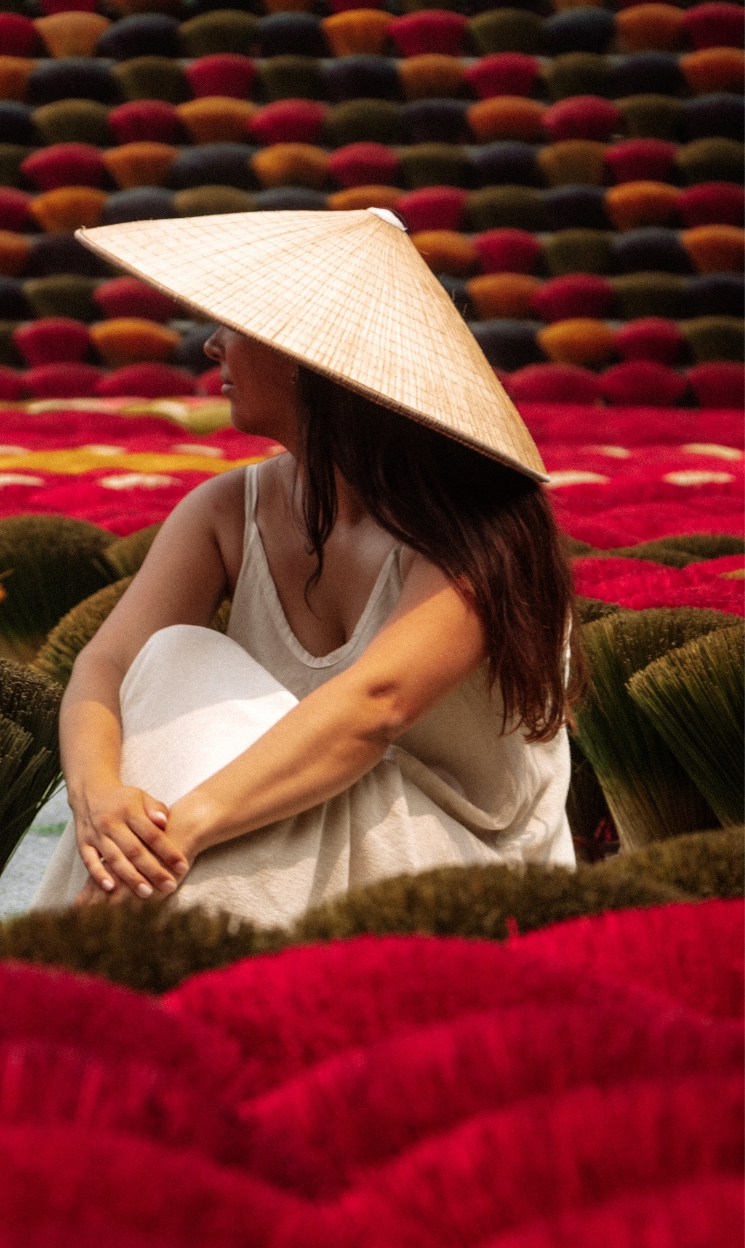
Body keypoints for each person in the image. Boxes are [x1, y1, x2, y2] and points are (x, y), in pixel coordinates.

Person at [30, 208, 583, 927]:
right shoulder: (229, 511)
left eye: (234, 323)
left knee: (194, 796)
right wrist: (101, 797)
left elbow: (371, 708)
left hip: (456, 870)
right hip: (278, 819)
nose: (211, 345)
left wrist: (183, 828)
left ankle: (104, 960)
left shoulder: (483, 532)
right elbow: (103, 666)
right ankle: (122, 951)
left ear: (307, 354)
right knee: (171, 657)